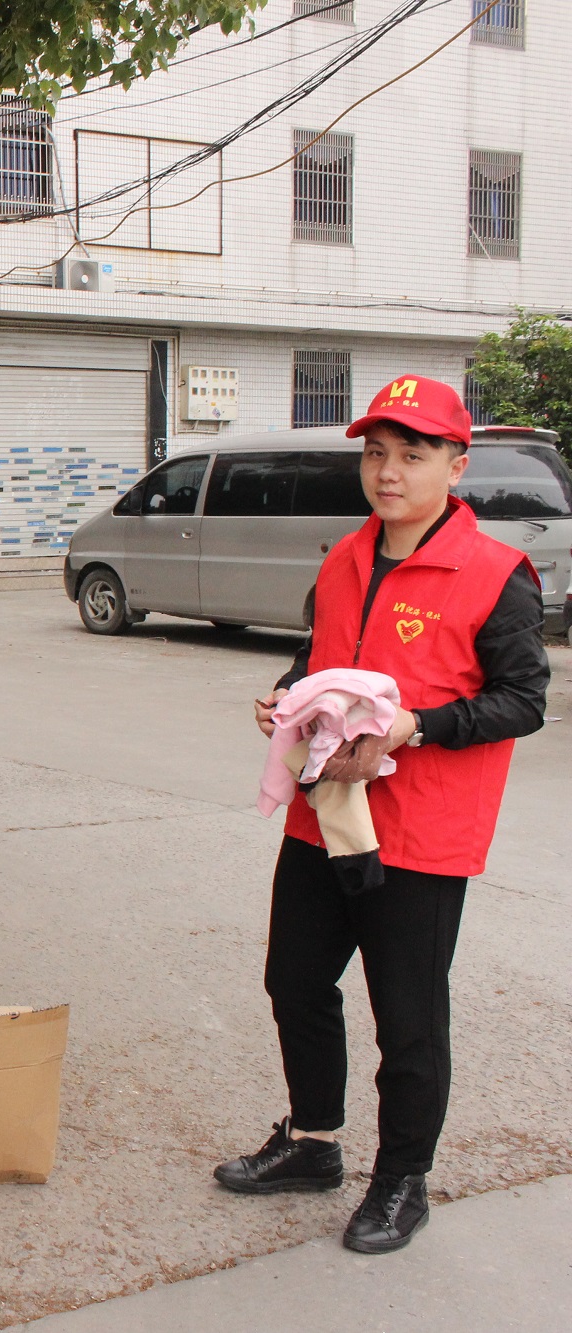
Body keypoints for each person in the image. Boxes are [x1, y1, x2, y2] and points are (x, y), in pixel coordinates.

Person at [217, 375, 549, 1253]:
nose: (388, 471)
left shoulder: (493, 575)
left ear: (456, 463)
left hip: (422, 833)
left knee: (407, 1014)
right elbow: (320, 653)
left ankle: (403, 1177)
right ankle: (313, 1141)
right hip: (325, 812)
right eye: (375, 452)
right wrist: (287, 693)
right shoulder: (346, 558)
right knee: (294, 979)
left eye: (413, 453)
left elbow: (525, 699)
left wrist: (421, 724)